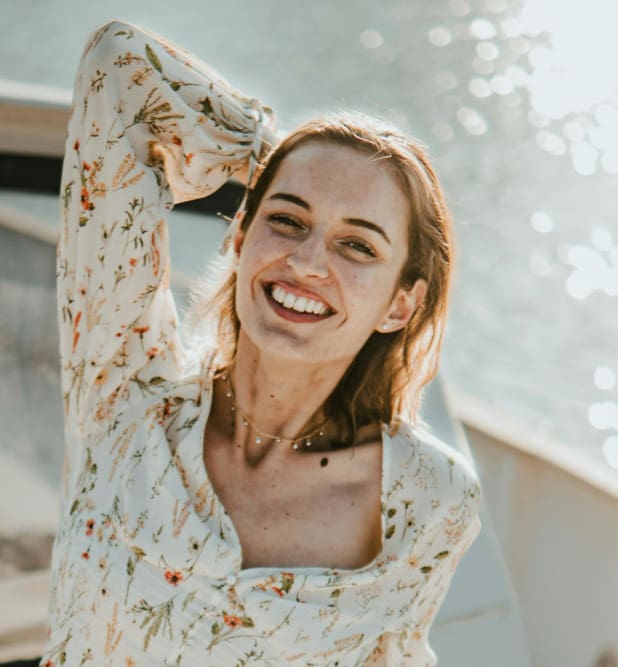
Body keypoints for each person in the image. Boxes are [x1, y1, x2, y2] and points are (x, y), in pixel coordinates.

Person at [43, 19, 482, 666]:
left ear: (400, 304)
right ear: (240, 235)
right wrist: (278, 151)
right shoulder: (125, 388)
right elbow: (120, 67)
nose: (306, 262)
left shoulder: (430, 498)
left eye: (357, 246)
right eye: (287, 219)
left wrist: (306, 175)